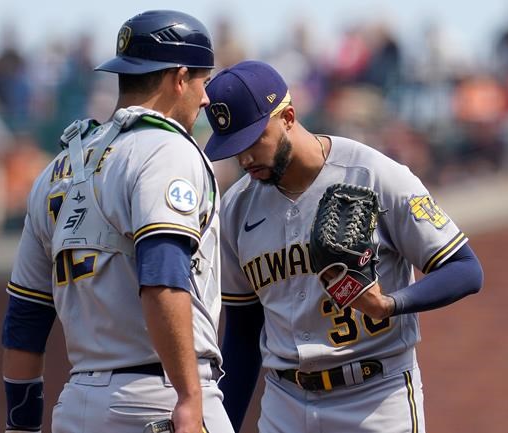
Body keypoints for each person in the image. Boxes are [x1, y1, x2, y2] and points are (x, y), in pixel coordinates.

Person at [203, 60, 484, 433]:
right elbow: (242, 334)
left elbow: (465, 269)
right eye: (234, 146)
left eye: (253, 140)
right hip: (284, 402)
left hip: (375, 398)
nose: (245, 158)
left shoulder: (374, 174)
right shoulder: (237, 208)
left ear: (287, 116)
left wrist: (390, 305)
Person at [0, 10, 234, 433]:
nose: (205, 99)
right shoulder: (166, 150)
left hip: (78, 406)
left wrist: (21, 426)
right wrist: (188, 398)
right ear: (179, 78)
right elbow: (163, 279)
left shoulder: (57, 170)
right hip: (158, 397)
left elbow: (26, 317)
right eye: (203, 82)